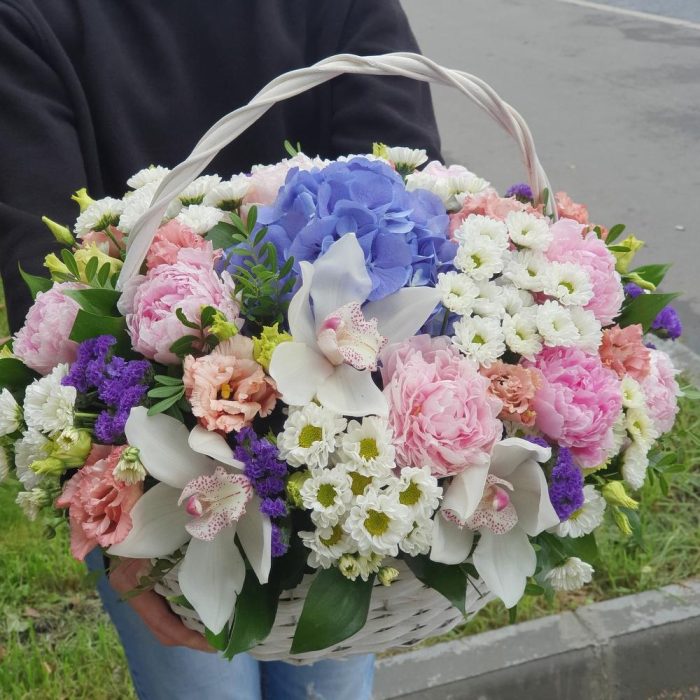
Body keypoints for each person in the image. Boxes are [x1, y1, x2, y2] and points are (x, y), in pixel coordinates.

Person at [0, 1, 442, 698]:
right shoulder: (31, 21)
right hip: (162, 471)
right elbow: (46, 271)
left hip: (344, 439)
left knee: (323, 673)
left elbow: (406, 195)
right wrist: (114, 511)